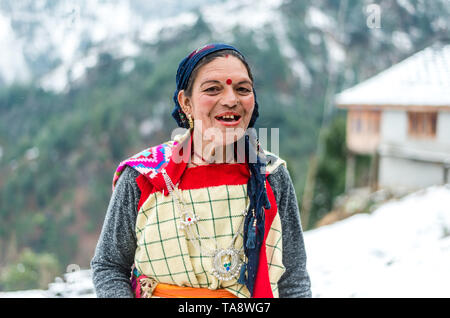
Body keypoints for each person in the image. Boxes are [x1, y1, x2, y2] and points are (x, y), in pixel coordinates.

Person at [90, 43, 312, 298]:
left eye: (242, 89)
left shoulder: (270, 177)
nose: (231, 100)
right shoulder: (143, 176)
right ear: (186, 103)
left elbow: (292, 280)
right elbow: (109, 266)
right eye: (212, 89)